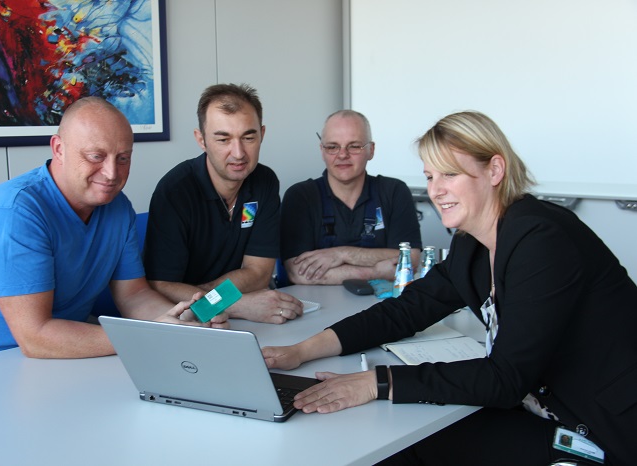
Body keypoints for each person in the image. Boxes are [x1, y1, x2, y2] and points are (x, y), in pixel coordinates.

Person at [263, 111, 637, 465]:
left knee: (407, 445)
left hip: (601, 432)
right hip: (544, 409)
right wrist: (302, 350)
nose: (436, 190)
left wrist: (376, 382)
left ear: (494, 169)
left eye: (450, 175)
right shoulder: (472, 243)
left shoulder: (540, 237)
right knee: (404, 434)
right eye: (429, 176)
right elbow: (407, 309)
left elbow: (504, 378)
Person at [0, 97, 227, 365]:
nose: (112, 173)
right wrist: (151, 335)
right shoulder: (13, 213)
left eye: (123, 158)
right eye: (95, 156)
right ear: (59, 149)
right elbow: (35, 337)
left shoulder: (117, 207)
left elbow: (134, 296)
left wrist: (178, 325)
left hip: (60, 357)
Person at [143, 83, 303, 324]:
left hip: (226, 313)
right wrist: (236, 304)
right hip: (186, 321)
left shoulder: (265, 182)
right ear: (201, 139)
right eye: (223, 139)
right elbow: (159, 285)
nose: (238, 153)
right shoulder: (175, 191)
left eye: (248, 137)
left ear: (262, 134)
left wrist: (207, 297)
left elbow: (259, 274)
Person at [280, 110, 422, 285]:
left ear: (371, 150)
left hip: (383, 305)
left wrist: (341, 254)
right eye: (332, 147)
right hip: (318, 307)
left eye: (354, 146)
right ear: (322, 151)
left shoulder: (394, 192)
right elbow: (298, 273)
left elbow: (410, 259)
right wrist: (375, 271)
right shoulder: (301, 196)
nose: (342, 155)